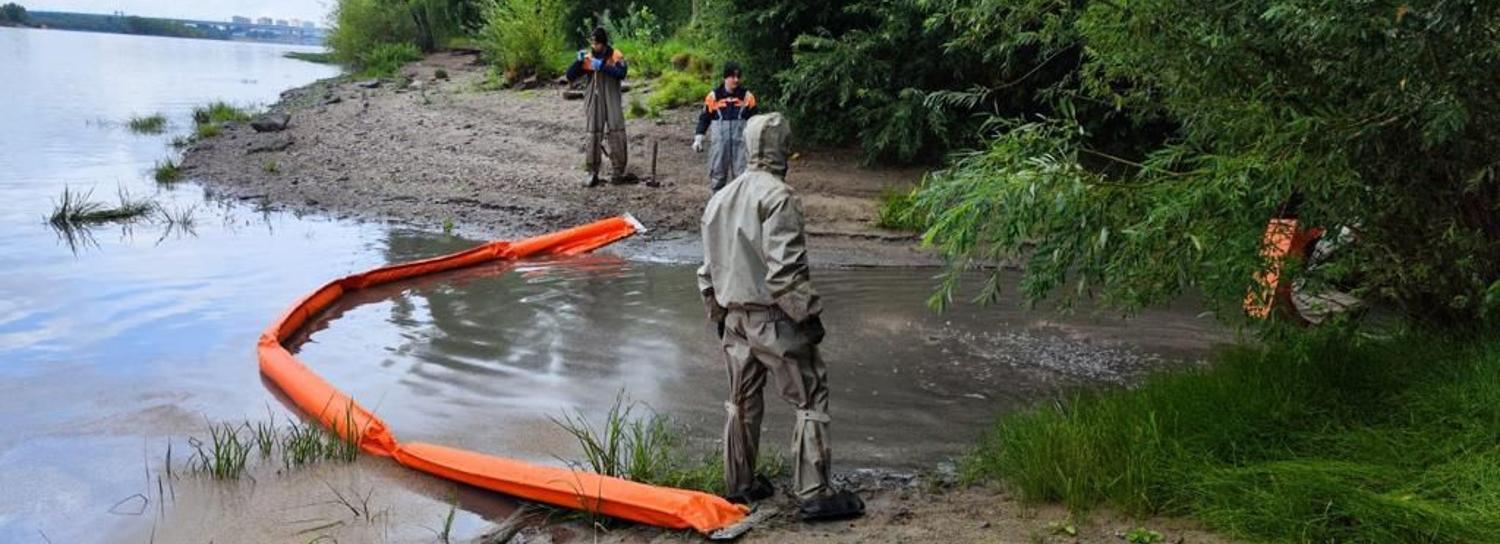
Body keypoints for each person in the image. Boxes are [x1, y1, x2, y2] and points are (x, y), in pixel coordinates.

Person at [696, 113, 864, 521]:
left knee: (741, 400)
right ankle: (814, 492)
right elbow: (785, 273)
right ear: (783, 148)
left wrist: (717, 314)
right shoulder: (779, 197)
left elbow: (707, 271)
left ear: (748, 145)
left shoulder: (721, 198)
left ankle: (740, 484)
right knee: (810, 395)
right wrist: (808, 318)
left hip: (734, 318)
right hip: (773, 317)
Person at [565, 27, 628, 187]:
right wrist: (578, 62)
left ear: (603, 43)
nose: (593, 46)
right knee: (593, 132)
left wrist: (603, 67)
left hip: (611, 95)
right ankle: (592, 171)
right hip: (594, 96)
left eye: (596, 43)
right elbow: (570, 75)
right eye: (592, 43)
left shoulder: (615, 55)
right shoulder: (588, 57)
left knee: (617, 130)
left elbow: (622, 73)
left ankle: (618, 170)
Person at [693, 61, 758, 191]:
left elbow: (756, 121)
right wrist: (698, 138)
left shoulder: (747, 97)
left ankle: (741, 203)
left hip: (741, 145)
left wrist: (757, 143)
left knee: (742, 178)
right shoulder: (713, 97)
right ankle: (717, 202)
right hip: (719, 145)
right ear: (725, 78)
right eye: (733, 76)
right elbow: (704, 118)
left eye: (738, 76)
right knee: (717, 176)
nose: (736, 80)